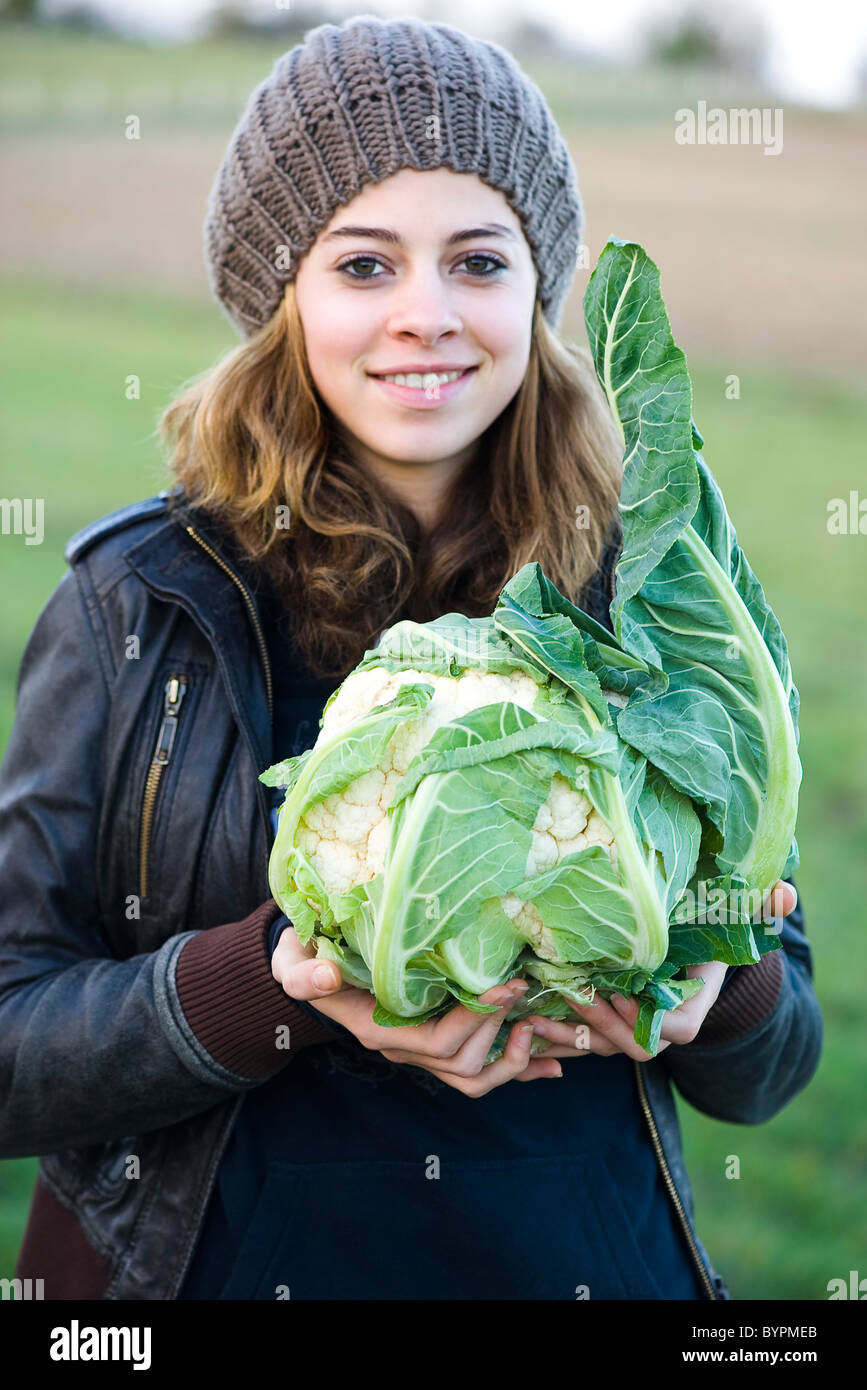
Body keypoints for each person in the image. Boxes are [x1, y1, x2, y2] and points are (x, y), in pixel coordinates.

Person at [3, 16, 821, 1302]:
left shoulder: (651, 592)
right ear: (287, 296)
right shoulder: (138, 605)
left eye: (480, 261)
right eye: (366, 265)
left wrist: (714, 979)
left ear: (537, 295)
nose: (427, 318)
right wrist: (266, 991)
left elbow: (781, 1064)